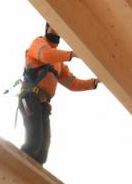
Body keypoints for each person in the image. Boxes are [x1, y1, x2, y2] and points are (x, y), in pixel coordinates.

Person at [19, 23, 98, 165]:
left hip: (43, 105)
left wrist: (94, 82)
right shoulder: (39, 43)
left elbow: (72, 83)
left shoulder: (59, 62)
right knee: (34, 142)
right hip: (30, 98)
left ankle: (32, 178)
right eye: (53, 26)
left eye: (58, 28)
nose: (55, 30)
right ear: (47, 28)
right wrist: (71, 54)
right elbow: (45, 55)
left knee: (42, 152)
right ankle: (16, 167)